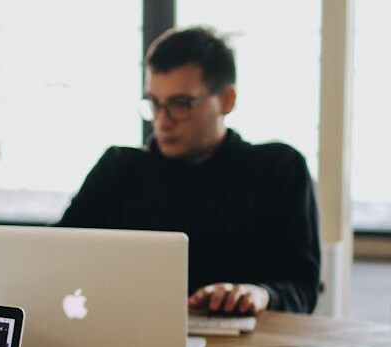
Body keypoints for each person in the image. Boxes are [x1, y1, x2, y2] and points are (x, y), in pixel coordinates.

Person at [58, 26, 321, 315]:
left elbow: (302, 289)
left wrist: (260, 294)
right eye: (155, 104)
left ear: (227, 100)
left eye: (181, 104)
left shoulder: (278, 169)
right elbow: (56, 256)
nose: (163, 121)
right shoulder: (118, 169)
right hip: (130, 336)